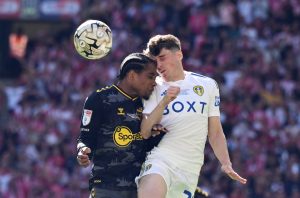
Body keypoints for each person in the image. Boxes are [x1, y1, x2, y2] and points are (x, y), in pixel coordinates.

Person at [136, 34, 247, 198]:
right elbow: (144, 131)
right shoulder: (153, 87)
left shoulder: (207, 85)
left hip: (190, 168)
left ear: (179, 55)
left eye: (162, 58)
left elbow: (215, 132)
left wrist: (225, 163)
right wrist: (164, 101)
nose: (158, 65)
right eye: (155, 61)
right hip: (160, 160)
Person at [76, 53, 164, 198]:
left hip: (140, 189)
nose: (154, 82)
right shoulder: (98, 99)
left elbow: (146, 146)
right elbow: (85, 138)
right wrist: (82, 151)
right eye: (150, 76)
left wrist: (157, 135)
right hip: (105, 187)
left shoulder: (150, 104)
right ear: (132, 75)